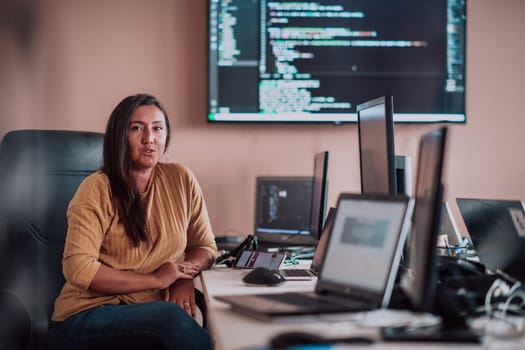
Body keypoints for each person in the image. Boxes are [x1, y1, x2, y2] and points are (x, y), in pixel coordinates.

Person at [48, 94, 217, 350]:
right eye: (137, 128)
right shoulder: (96, 188)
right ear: (120, 136)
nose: (150, 139)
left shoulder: (180, 178)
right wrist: (157, 280)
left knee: (215, 310)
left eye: (157, 128)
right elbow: (78, 268)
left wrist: (182, 276)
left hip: (150, 307)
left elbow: (205, 246)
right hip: (86, 315)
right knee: (170, 320)